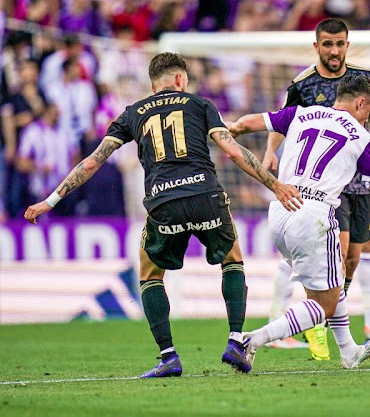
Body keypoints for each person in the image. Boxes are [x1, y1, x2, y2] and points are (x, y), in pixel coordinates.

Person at [24, 52, 302, 377]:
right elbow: (233, 150)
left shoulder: (132, 114)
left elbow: (91, 162)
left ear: (153, 83)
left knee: (150, 274)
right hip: (205, 195)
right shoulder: (200, 105)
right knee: (232, 259)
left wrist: (50, 201)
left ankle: (169, 356)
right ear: (181, 79)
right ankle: (235, 341)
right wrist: (276, 186)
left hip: (163, 201)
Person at [227, 74, 370, 369]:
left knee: (333, 281)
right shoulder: (361, 137)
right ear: (360, 103)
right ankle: (249, 340)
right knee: (324, 304)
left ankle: (348, 351)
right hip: (314, 214)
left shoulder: (301, 113)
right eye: (369, 112)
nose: (368, 119)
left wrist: (231, 128)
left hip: (281, 209)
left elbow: (249, 123)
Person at [261, 18, 370, 358]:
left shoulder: (364, 78)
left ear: (347, 45)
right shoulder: (303, 83)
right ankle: (315, 320)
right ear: (317, 46)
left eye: (340, 44)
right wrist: (269, 151)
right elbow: (284, 118)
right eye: (327, 44)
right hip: (323, 186)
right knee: (336, 249)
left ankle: (335, 321)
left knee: (355, 254)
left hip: (360, 180)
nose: (334, 50)